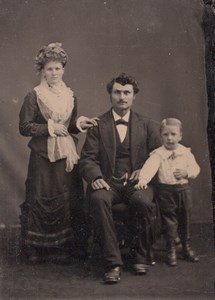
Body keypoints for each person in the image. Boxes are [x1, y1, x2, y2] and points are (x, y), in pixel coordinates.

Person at [19, 42, 97, 263]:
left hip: (66, 154)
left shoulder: (70, 95)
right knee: (41, 196)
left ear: (63, 69)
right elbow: (24, 127)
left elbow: (69, 125)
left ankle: (67, 246)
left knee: (67, 197)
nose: (54, 73)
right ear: (42, 70)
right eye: (49, 69)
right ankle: (35, 247)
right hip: (43, 155)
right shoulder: (34, 95)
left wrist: (80, 123)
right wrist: (49, 128)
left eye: (58, 68)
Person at [79, 73, 161, 284]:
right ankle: (112, 262)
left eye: (127, 93)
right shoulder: (98, 125)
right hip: (109, 182)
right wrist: (95, 177)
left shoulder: (148, 125)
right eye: (117, 92)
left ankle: (140, 256)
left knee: (142, 201)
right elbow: (87, 158)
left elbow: (159, 156)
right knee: (98, 199)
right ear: (110, 95)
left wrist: (143, 172)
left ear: (134, 96)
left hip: (138, 183)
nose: (122, 97)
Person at [135, 118, 200, 266]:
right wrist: (143, 181)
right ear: (161, 136)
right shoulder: (158, 154)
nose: (169, 138)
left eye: (173, 134)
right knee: (169, 221)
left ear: (180, 136)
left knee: (185, 218)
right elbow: (148, 169)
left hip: (183, 190)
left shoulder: (186, 152)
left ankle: (185, 247)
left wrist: (186, 173)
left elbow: (195, 169)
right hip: (166, 192)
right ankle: (171, 248)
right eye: (165, 134)